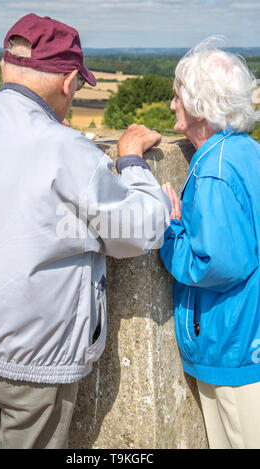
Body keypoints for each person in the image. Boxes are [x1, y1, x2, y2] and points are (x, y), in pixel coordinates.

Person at [0, 13, 171, 449]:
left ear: (4, 67)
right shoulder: (66, 149)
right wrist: (131, 162)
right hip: (34, 358)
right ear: (69, 80)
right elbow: (136, 232)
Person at [160, 38, 260, 449]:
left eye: (177, 95)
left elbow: (214, 265)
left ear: (200, 105)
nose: (171, 105)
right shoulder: (246, 151)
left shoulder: (215, 171)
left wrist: (171, 230)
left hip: (233, 348)